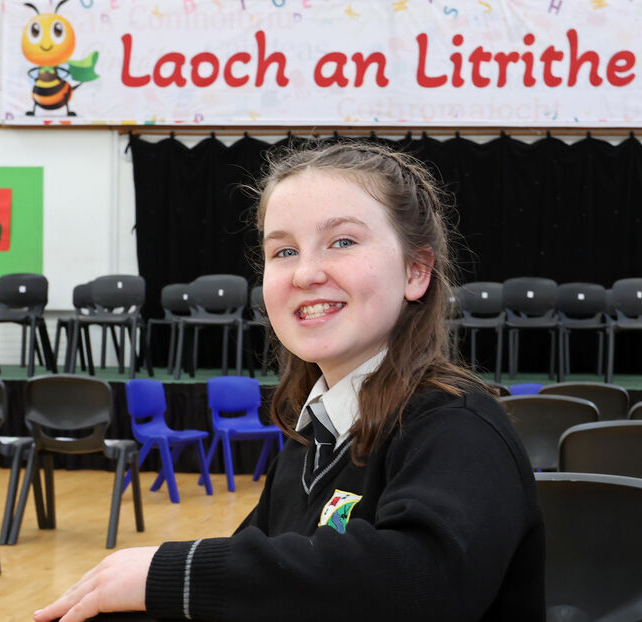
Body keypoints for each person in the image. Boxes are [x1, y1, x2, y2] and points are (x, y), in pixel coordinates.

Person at [36, 141, 546, 622]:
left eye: (342, 242)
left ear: (416, 272)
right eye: (283, 251)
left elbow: (424, 581)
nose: (305, 274)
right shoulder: (310, 442)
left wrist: (174, 573)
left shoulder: (457, 427)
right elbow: (257, 587)